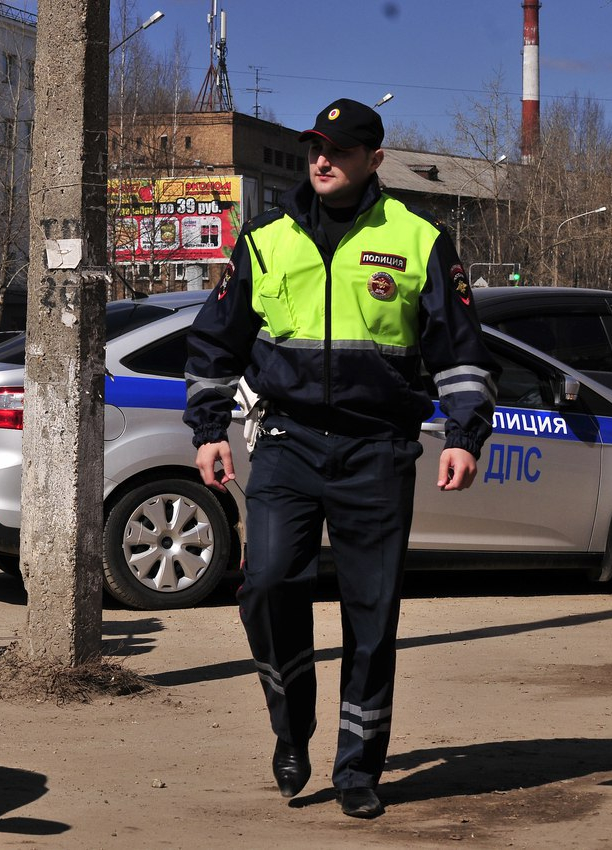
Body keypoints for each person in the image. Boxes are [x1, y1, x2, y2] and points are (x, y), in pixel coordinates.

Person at [183, 98, 498, 819]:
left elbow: (460, 351)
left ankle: (357, 767)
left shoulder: (419, 239)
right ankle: (292, 725)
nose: (323, 161)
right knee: (265, 586)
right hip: (288, 442)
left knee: (371, 614)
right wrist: (207, 430)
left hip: (377, 449)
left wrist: (464, 435)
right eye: (315, 149)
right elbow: (215, 343)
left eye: (342, 151)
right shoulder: (264, 238)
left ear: (373, 160)